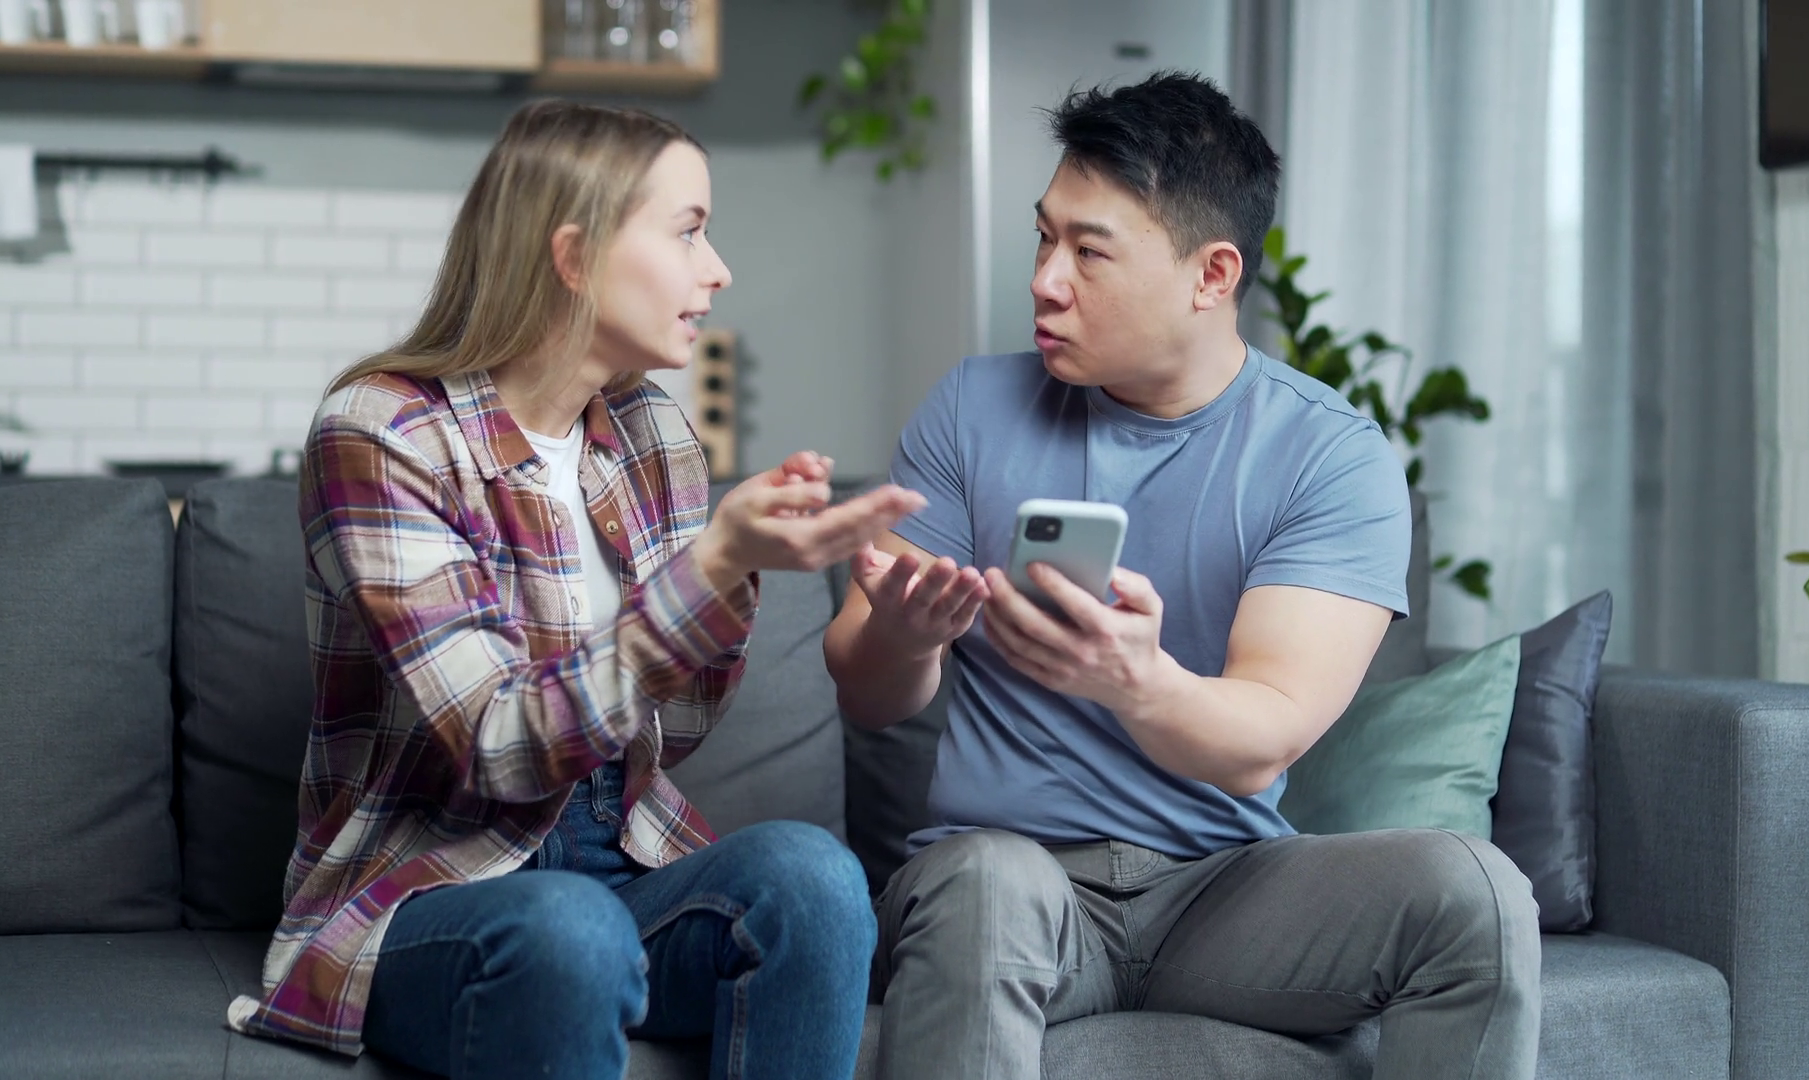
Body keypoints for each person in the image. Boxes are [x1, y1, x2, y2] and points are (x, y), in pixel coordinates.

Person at [824, 73, 1542, 1080]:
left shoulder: (1328, 457)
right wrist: (902, 638)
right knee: (985, 881)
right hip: (1011, 881)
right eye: (1044, 238)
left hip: (1225, 892)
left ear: (1212, 275)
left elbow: (1261, 738)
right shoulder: (971, 410)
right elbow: (868, 694)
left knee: (1475, 895)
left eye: (1089, 252)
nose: (1046, 280)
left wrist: (1137, 682)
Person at [227, 100, 923, 1080]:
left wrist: (735, 574)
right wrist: (707, 568)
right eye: (688, 232)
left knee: (815, 879)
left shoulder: (653, 434)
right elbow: (499, 746)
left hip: (618, 863)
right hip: (424, 891)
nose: (718, 269)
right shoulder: (383, 432)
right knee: (572, 930)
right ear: (573, 255)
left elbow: (675, 728)